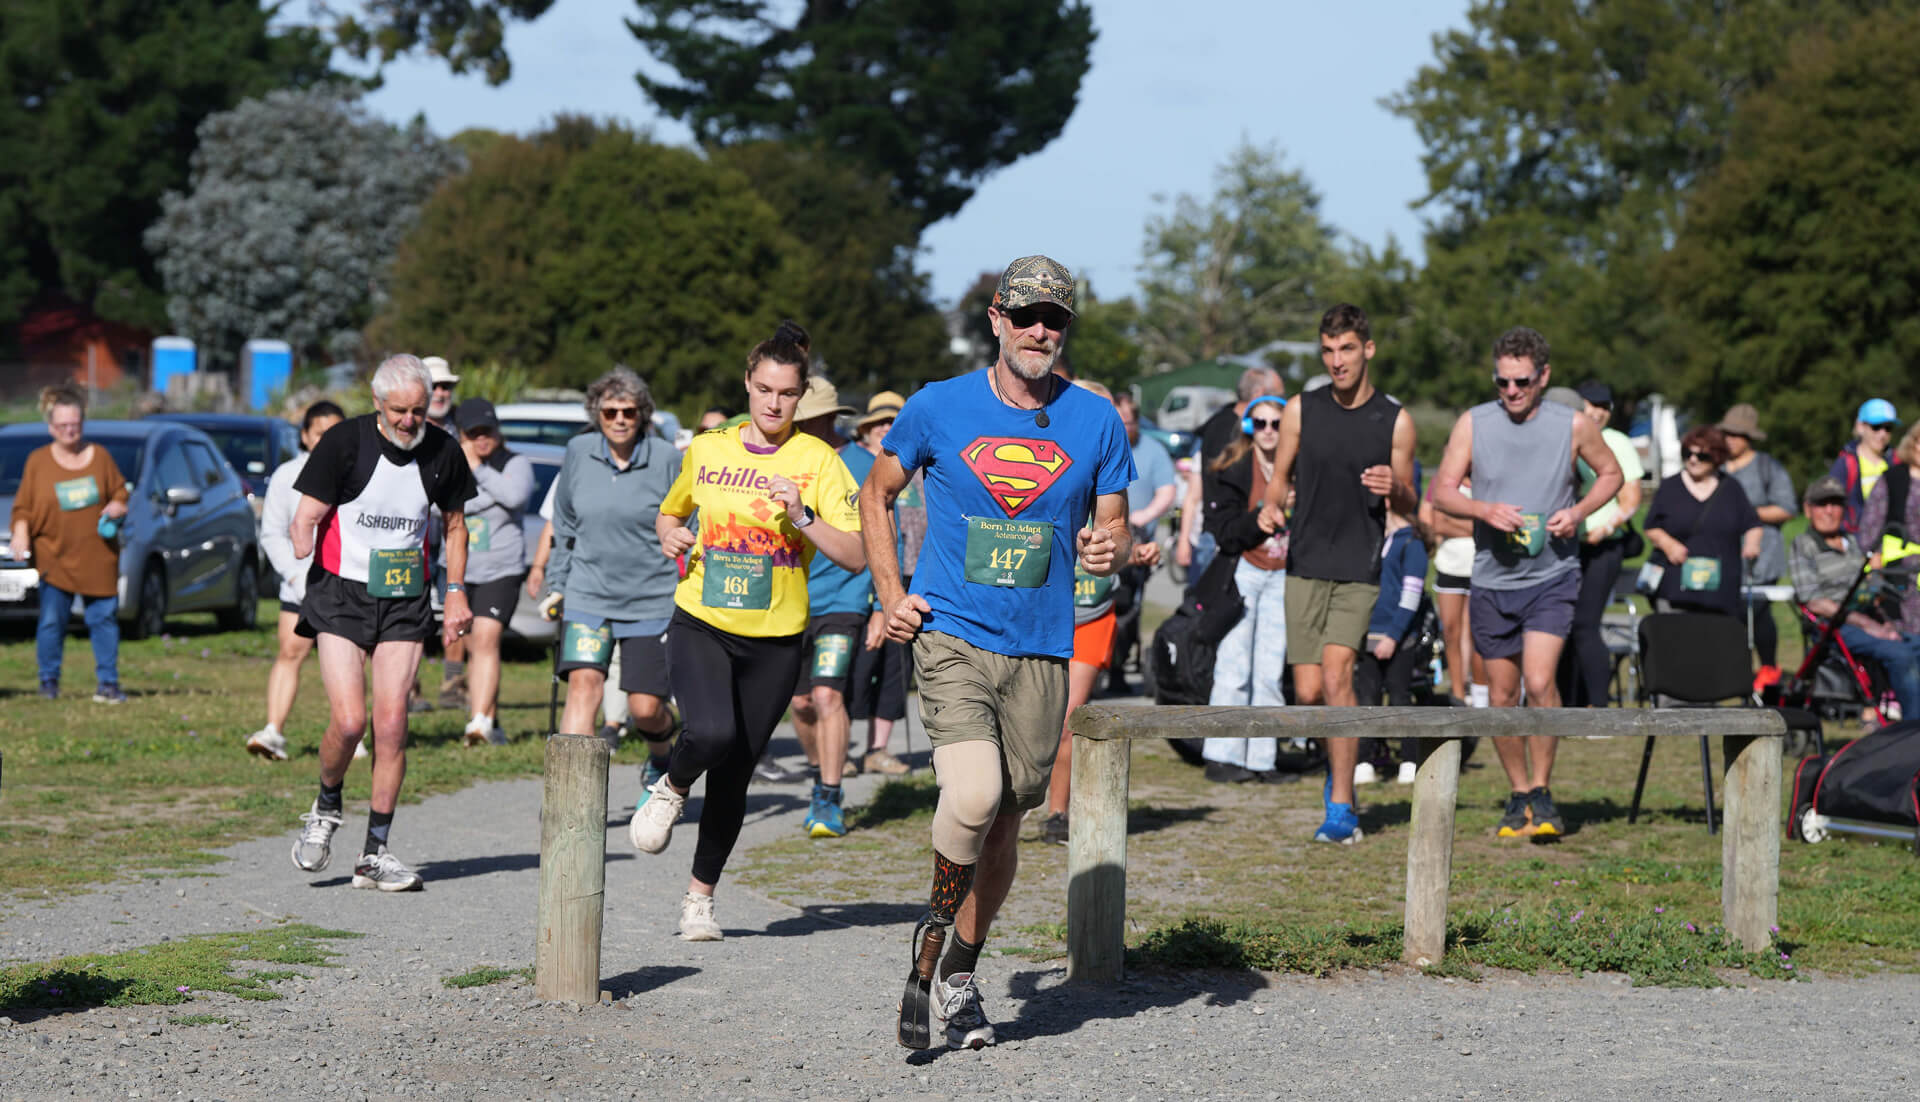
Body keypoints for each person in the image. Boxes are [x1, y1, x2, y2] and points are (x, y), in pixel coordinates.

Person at [860, 255, 1134, 1050]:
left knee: (1007, 822)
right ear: (996, 320)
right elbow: (875, 494)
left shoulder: (1094, 419)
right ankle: (928, 949)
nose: (1041, 330)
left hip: (1044, 648)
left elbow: (1113, 526)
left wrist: (1105, 547)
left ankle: (958, 975)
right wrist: (890, 596)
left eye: (1055, 318)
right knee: (973, 796)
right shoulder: (938, 407)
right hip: (952, 634)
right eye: (1027, 316)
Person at [628, 321, 866, 942]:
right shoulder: (708, 448)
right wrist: (668, 535)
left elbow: (856, 554)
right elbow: (670, 510)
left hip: (777, 638)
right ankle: (672, 783)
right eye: (763, 389)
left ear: (800, 397)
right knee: (710, 731)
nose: (773, 403)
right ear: (747, 384)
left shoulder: (819, 462)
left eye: (786, 394)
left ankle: (698, 900)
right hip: (703, 619)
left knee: (736, 773)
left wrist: (802, 514)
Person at [287, 355, 476, 891]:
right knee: (350, 722)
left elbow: (456, 525)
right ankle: (326, 806)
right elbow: (307, 513)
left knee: (391, 724)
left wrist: (456, 593)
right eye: (399, 411)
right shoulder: (344, 442)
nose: (409, 421)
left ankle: (375, 853)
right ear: (377, 404)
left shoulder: (442, 450)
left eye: (418, 410)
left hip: (403, 598)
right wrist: (302, 536)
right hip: (340, 594)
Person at [1431, 326, 1622, 840]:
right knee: (1502, 692)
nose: (1511, 392)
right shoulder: (1475, 423)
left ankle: (1543, 789)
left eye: (1521, 382)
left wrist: (1577, 513)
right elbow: (1441, 491)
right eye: (1502, 382)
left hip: (1553, 574)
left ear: (1543, 377)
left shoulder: (1572, 424)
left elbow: (1611, 474)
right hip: (1492, 578)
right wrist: (1483, 509)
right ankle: (1518, 794)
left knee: (1539, 683)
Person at [1258, 304, 1417, 844]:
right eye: (1328, 351)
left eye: (1346, 349)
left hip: (1359, 565)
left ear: (1368, 349)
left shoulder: (1395, 420)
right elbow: (1279, 480)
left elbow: (1414, 504)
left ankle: (1343, 805)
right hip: (1305, 563)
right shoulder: (1302, 409)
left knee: (1336, 677)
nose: (1337, 361)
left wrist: (1394, 488)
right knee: (1307, 694)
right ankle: (1339, 768)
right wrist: (1271, 508)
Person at [546, 367, 684, 794]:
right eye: (610, 412)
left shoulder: (665, 458)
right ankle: (572, 796)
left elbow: (685, 520)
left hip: (651, 599)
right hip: (588, 593)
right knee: (584, 687)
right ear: (597, 414)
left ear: (642, 414)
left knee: (645, 709)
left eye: (629, 411)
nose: (620, 419)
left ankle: (661, 755)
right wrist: (557, 581)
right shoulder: (578, 451)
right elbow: (565, 520)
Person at [1039, 381, 1164, 845]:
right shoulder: (1046, 464)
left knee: (1070, 714)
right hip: (1041, 613)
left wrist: (1139, 553)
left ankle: (1057, 812)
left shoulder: (1113, 472)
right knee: (1029, 718)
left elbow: (1118, 539)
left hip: (1092, 614)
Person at [8, 384, 131, 703]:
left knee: (102, 619)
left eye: (75, 425)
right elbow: (23, 507)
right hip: (54, 555)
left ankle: (108, 683)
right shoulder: (37, 462)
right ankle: (48, 681)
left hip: (97, 557)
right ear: (51, 427)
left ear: (82, 424)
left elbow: (120, 492)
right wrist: (21, 532)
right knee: (52, 621)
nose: (69, 431)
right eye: (62, 426)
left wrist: (118, 506)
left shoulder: (100, 458)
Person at [785, 374, 866, 837]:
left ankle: (828, 795)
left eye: (808, 420)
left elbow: (880, 538)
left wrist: (879, 604)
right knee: (799, 704)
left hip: (846, 596)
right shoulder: (787, 457)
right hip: (792, 599)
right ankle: (821, 771)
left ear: (830, 417)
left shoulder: (862, 463)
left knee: (826, 694)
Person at [1199, 394, 1294, 784]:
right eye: (1260, 423)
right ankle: (1222, 755)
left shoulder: (1299, 468)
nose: (1269, 431)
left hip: (1284, 574)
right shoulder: (1232, 467)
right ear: (1248, 427)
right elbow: (1223, 532)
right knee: (1234, 667)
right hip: (1242, 572)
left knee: (1270, 672)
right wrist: (1260, 520)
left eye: (1277, 424)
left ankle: (1262, 759)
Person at [247, 400, 347, 760]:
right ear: (305, 436)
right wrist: (294, 574)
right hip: (300, 585)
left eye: (335, 432)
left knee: (350, 662)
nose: (327, 440)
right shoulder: (287, 476)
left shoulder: (357, 472)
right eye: (320, 432)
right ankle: (273, 730)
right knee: (291, 651)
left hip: (347, 585)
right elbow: (272, 534)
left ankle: (353, 734)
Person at [1791, 475, 1920, 720]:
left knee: (1915, 644)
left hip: (1870, 618)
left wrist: (1885, 622)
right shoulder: (1804, 544)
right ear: (1809, 509)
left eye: (1836, 503)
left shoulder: (1853, 542)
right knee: (1900, 654)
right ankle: (1912, 731)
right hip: (1835, 627)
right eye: (1822, 504)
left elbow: (1872, 585)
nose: (1830, 511)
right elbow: (1813, 600)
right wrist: (1868, 624)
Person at [1555, 380, 1647, 707]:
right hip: (1567, 544)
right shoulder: (1565, 436)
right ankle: (1568, 701)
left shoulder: (1615, 441)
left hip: (1602, 547)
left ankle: (1599, 705)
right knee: (1562, 626)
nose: (1598, 413)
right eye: (1591, 405)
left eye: (1604, 407)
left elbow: (1630, 498)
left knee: (1585, 624)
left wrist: (1604, 529)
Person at [450, 398, 534, 746]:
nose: (483, 439)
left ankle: (479, 722)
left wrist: (479, 470)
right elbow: (446, 506)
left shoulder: (515, 462)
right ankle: (491, 720)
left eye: (488, 431)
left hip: (502, 569)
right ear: (461, 435)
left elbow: (515, 496)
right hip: (461, 569)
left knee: (486, 639)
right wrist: (487, 495)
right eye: (474, 433)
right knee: (473, 646)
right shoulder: (451, 464)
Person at [845, 391, 916, 778]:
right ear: (867, 428)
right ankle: (842, 747)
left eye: (894, 422)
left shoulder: (918, 461)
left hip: (910, 574)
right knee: (857, 663)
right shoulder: (850, 461)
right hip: (856, 575)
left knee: (895, 665)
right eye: (880, 423)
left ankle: (878, 748)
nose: (887, 428)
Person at [1177, 367, 1284, 587]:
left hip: (1247, 543)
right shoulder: (1225, 432)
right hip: (1221, 542)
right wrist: (1184, 540)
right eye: (1278, 396)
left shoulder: (1218, 422)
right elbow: (1195, 493)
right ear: (1260, 394)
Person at [1644, 426, 1762, 618]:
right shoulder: (1670, 487)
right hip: (1675, 586)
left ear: (1717, 458)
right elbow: (1651, 526)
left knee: (1714, 644)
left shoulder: (1732, 488)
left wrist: (1752, 544)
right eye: (1687, 453)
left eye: (1702, 456)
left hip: (1720, 591)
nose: (1693, 459)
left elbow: (1752, 524)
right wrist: (1668, 544)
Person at [1102, 392, 1177, 694]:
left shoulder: (1153, 451)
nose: (1123, 427)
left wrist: (1145, 516)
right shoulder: (1101, 443)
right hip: (1097, 533)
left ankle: (1119, 668)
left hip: (1135, 535)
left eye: (1129, 422)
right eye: (1118, 421)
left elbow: (1167, 491)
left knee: (1126, 608)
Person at [1353, 499, 1431, 783]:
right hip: (1368, 635)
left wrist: (1394, 636)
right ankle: (1363, 760)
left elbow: (1411, 595)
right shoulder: (1375, 540)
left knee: (1400, 697)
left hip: (1399, 638)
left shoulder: (1412, 543)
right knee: (1367, 699)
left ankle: (1409, 760)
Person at [1719, 403, 1797, 671]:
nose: (1729, 440)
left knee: (1759, 615)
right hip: (1725, 556)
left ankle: (1768, 671)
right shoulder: (1716, 467)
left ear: (1748, 437)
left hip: (1762, 556)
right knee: (1732, 618)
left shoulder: (1767, 467)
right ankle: (1737, 674)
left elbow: (1786, 508)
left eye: (1735, 435)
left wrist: (1746, 513)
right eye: (1726, 434)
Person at [423, 355, 467, 712]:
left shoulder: (463, 429)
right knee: (411, 607)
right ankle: (409, 685)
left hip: (453, 529)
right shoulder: (407, 427)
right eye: (434, 386)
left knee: (454, 600)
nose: (440, 393)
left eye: (446, 386)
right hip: (415, 534)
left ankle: (453, 682)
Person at [1421, 478, 1482, 707]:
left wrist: (1455, 523)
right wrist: (1476, 526)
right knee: (1451, 632)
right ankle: (1457, 693)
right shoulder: (1443, 483)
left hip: (1481, 567)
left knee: (1477, 633)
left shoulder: (1487, 479)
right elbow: (1437, 523)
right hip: (1450, 567)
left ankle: (1479, 692)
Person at [1860, 421, 1920, 636]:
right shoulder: (1893, 479)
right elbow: (1870, 526)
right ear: (1913, 444)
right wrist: (1874, 568)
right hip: (1900, 574)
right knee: (1905, 639)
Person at [1831, 398, 1900, 534]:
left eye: (1888, 428)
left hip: (1892, 539)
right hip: (1855, 541)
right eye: (1876, 427)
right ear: (1860, 427)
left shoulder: (1897, 461)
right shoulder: (1845, 463)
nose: (1882, 434)